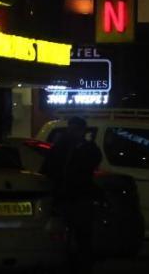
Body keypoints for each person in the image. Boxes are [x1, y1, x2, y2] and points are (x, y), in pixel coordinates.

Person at [41, 117, 103, 274]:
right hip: (66, 197)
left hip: (78, 197)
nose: (72, 132)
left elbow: (91, 163)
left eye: (75, 129)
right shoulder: (61, 147)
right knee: (65, 234)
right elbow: (48, 168)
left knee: (81, 234)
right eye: (71, 129)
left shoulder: (85, 148)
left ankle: (80, 263)